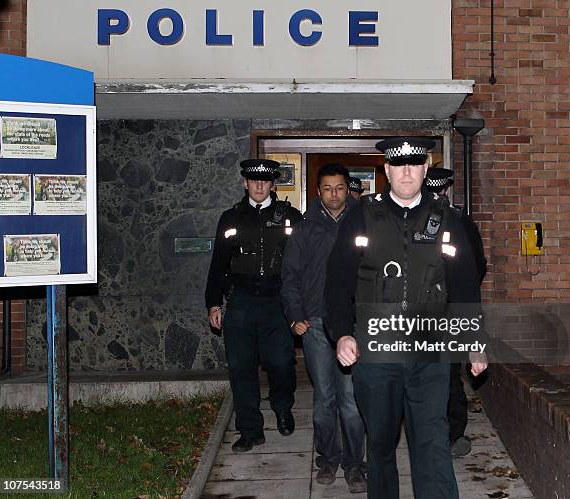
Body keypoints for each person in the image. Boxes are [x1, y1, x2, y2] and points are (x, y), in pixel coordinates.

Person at [325, 137, 489, 499]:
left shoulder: (446, 219)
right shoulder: (362, 216)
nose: (407, 172)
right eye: (399, 165)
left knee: (431, 442)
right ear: (387, 170)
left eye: (414, 164)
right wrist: (341, 334)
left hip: (428, 353)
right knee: (381, 447)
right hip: (375, 353)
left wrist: (474, 342)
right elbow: (337, 283)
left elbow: (464, 286)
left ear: (425, 169)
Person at [205, 159, 303, 453]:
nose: (259, 185)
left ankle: (283, 408)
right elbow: (218, 265)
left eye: (266, 180)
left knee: (282, 363)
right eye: (253, 180)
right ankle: (250, 430)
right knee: (241, 367)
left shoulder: (291, 217)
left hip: (278, 301)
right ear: (245, 183)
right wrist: (213, 303)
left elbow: (304, 264)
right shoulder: (230, 218)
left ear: (273, 184)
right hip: (242, 301)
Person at [281, 163, 366, 493]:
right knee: (325, 398)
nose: (334, 194)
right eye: (328, 188)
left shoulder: (364, 221)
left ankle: (356, 464)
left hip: (353, 323)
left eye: (340, 188)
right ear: (318, 191)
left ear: (348, 188)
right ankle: (329, 458)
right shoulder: (305, 227)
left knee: (351, 399)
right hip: (315, 323)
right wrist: (295, 314)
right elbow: (290, 276)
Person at [425, 166, 488, 458]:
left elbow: (474, 266)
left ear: (446, 190)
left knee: (448, 374)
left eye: (439, 190)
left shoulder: (460, 223)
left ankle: (453, 433)